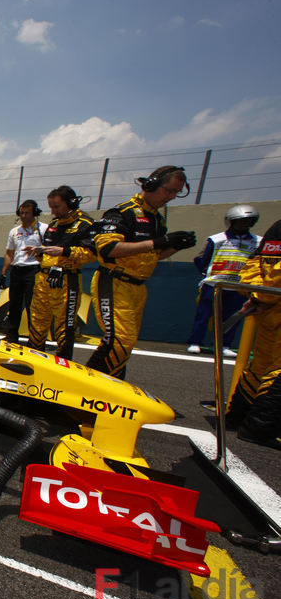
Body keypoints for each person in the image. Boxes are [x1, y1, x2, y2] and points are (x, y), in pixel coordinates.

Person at [86, 165, 196, 378]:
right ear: (152, 184)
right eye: (169, 190)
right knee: (120, 341)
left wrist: (175, 246)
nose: (172, 197)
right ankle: (86, 389)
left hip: (137, 287)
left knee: (124, 344)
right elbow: (109, 249)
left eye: (177, 193)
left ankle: (110, 386)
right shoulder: (122, 212)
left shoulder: (157, 219)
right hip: (113, 281)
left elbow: (151, 254)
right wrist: (158, 241)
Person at [226, 219, 281, 449]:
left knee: (262, 365)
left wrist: (260, 295)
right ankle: (259, 427)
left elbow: (253, 267)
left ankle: (238, 417)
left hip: (268, 303)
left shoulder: (276, 227)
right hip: (270, 303)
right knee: (275, 368)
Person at [25, 187, 97, 359]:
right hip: (43, 279)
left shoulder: (85, 224)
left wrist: (64, 251)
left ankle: (63, 367)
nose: (53, 211)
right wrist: (39, 251)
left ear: (71, 203)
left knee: (64, 327)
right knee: (36, 323)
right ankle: (35, 362)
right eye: (51, 207)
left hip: (66, 281)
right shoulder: (54, 225)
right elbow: (50, 251)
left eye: (56, 207)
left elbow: (92, 254)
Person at [186, 205, 261, 357]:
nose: (243, 225)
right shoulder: (216, 239)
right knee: (204, 315)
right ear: (231, 222)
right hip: (215, 284)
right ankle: (195, 342)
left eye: (248, 221)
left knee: (231, 318)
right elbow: (201, 259)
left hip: (238, 286)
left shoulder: (258, 242)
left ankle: (224, 345)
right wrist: (206, 274)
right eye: (240, 221)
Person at [0, 199, 47, 343]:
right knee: (14, 305)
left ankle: (35, 338)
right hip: (17, 270)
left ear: (35, 213)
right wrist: (3, 272)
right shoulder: (14, 231)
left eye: (27, 213)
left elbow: (50, 249)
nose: (24, 216)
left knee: (32, 305)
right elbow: (9, 253)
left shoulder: (43, 229)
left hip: (34, 270)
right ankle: (12, 335)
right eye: (21, 213)